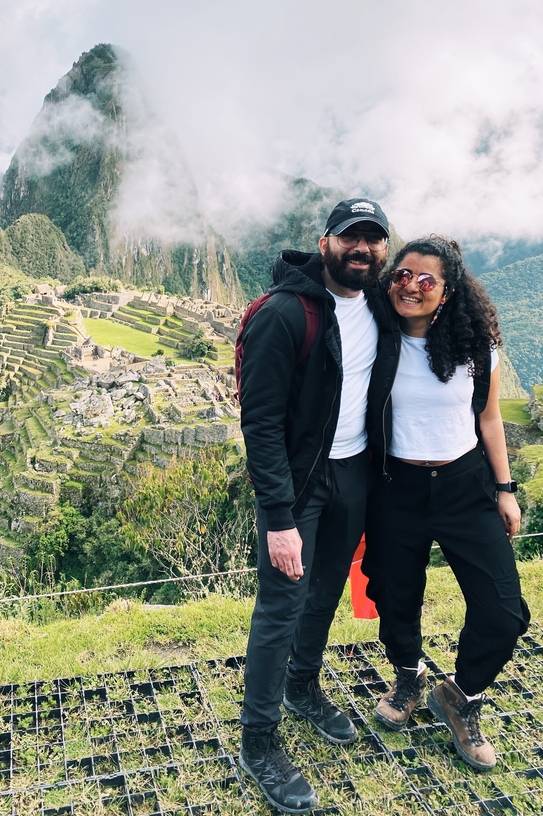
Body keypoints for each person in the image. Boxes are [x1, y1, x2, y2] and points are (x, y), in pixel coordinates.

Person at [238, 198, 399, 813]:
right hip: (301, 488)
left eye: (373, 240)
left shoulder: (380, 306)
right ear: (326, 241)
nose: (362, 248)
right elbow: (261, 421)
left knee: (327, 589)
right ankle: (259, 741)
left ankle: (302, 687)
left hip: (354, 474)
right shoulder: (286, 314)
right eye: (351, 237)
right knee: (281, 606)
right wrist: (279, 518)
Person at [364, 236, 530, 772]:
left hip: (465, 485)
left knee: (504, 613)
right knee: (395, 592)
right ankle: (408, 675)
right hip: (396, 486)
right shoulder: (375, 339)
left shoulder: (477, 349)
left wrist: (505, 491)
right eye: (402, 275)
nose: (410, 286)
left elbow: (488, 420)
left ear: (448, 292)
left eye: (425, 280)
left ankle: (461, 696)